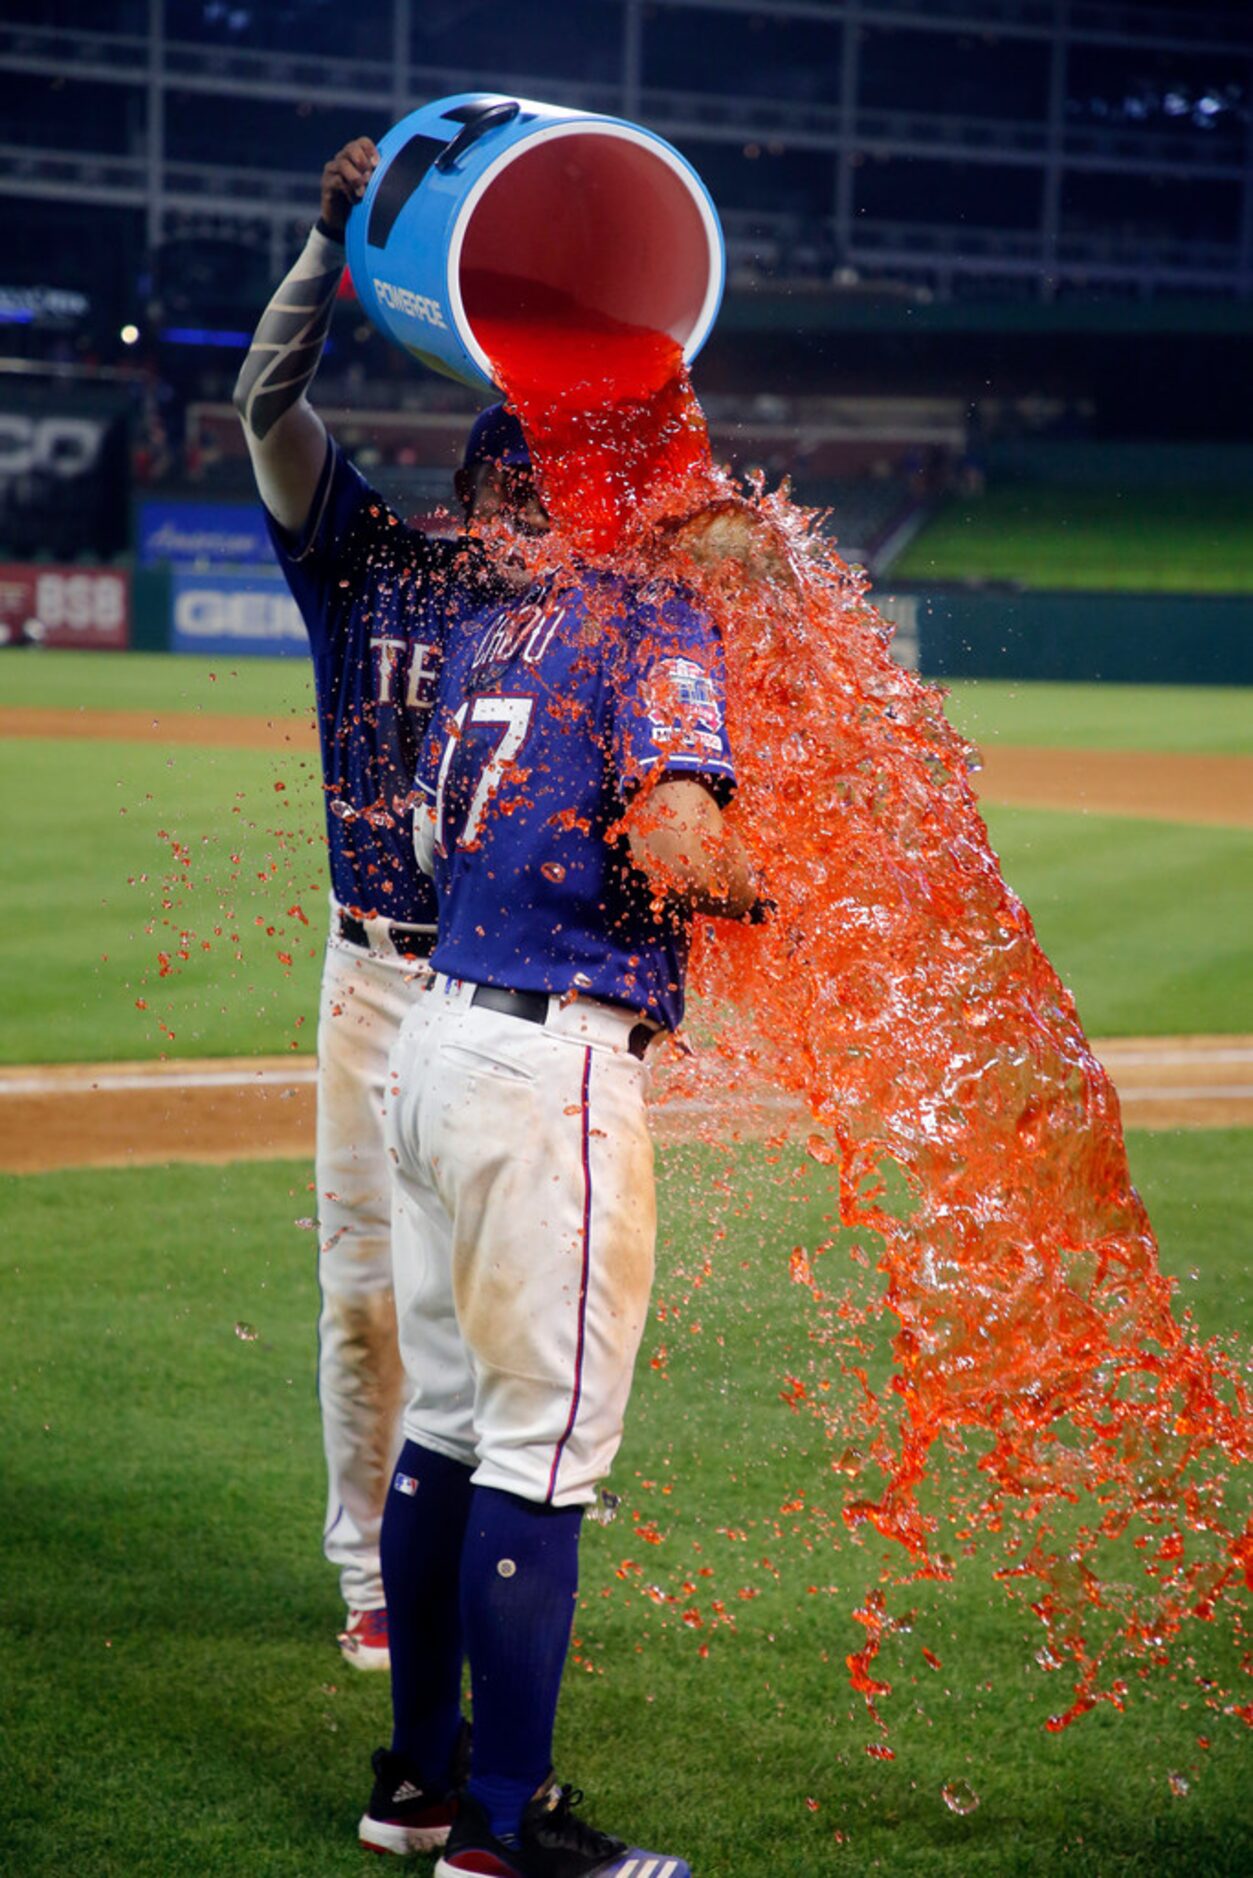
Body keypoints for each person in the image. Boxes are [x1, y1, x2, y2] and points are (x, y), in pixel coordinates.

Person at [356, 496, 769, 1871]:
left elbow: (427, 848)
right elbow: (675, 844)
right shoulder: (654, 618)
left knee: (455, 1426)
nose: (738, 540)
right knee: (539, 1454)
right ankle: (503, 1826)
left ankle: (417, 1780)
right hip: (551, 1073)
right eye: (712, 510)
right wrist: (788, 880)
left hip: (434, 1041)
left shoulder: (492, 625)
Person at [232, 136, 527, 1667]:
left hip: (498, 992)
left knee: (483, 1309)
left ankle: (477, 1564)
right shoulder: (362, 563)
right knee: (363, 1299)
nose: (529, 517)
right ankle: (370, 1568)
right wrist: (329, 238)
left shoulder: (569, 621)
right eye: (514, 486)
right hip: (372, 985)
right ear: (470, 481)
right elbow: (262, 408)